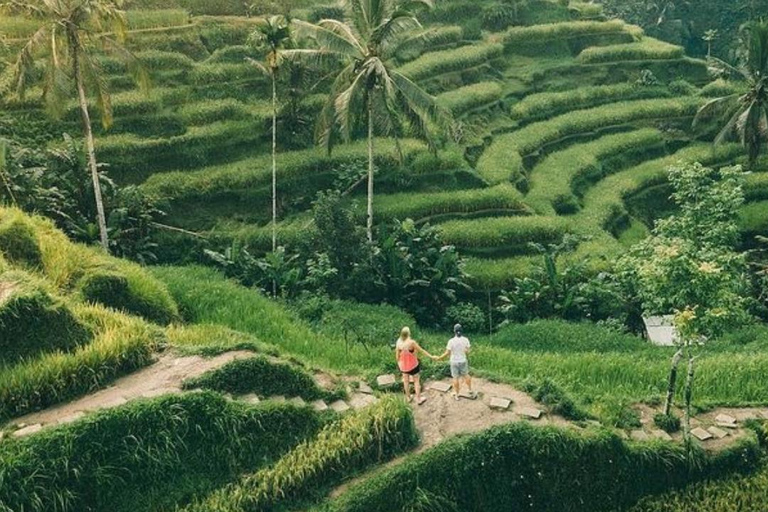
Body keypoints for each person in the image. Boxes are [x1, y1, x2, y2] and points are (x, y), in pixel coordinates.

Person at [395, 326, 434, 405]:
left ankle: (408, 397)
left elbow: (397, 356)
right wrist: (431, 356)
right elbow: (422, 350)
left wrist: (399, 364)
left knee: (406, 381)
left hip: (403, 366)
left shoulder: (398, 342)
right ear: (409, 333)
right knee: (416, 381)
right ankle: (419, 399)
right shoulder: (411, 342)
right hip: (413, 365)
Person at [435, 324, 475, 401]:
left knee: (455, 378)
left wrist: (439, 358)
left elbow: (447, 353)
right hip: (463, 360)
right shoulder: (466, 340)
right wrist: (465, 351)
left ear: (454, 331)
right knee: (466, 375)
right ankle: (470, 390)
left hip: (454, 362)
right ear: (462, 331)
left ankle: (457, 394)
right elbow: (468, 351)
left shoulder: (451, 341)